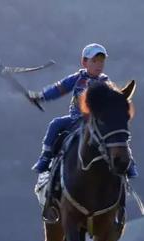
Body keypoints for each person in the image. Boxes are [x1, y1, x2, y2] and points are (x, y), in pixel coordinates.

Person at [27, 43, 138, 178]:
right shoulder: (77, 79)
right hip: (76, 119)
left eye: (102, 62)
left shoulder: (106, 83)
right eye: (94, 61)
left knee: (116, 132)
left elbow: (115, 100)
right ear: (84, 62)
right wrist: (40, 97)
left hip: (96, 122)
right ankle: (45, 158)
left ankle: (129, 163)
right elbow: (58, 89)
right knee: (55, 124)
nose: (99, 65)